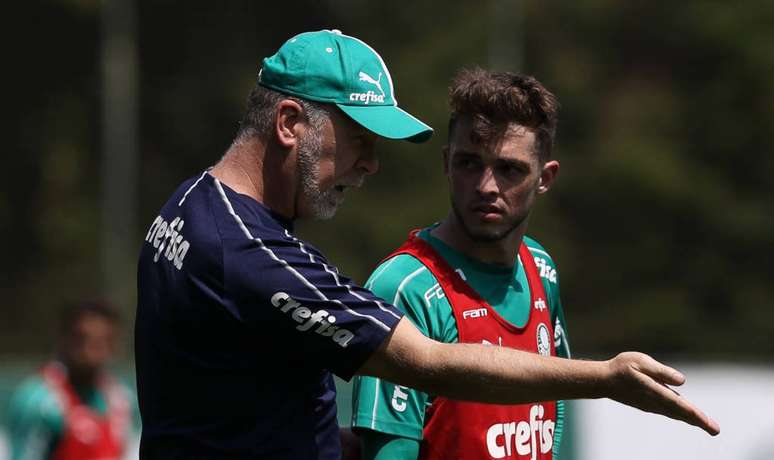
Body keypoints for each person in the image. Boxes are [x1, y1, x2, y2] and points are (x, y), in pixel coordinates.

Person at [134, 29, 718, 460]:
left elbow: (233, 421)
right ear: (290, 123)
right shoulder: (253, 256)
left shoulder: (188, 206)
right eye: (360, 139)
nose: (369, 165)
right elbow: (429, 364)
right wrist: (605, 380)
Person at [351, 68, 571, 459]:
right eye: (469, 163)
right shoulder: (406, 288)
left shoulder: (541, 268)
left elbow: (555, 405)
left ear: (545, 178)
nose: (486, 186)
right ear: (446, 163)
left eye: (509, 169)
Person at [7, 301, 135, 460]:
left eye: (103, 341)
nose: (92, 350)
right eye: (83, 339)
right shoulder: (39, 401)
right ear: (65, 338)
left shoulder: (120, 399)